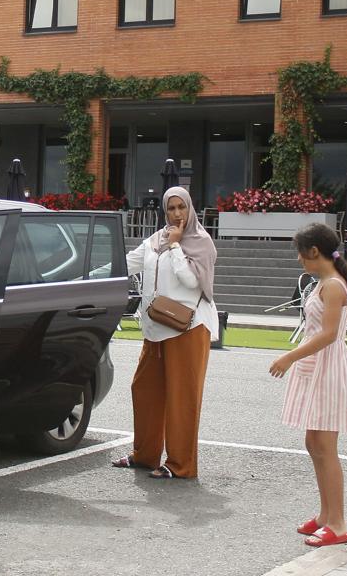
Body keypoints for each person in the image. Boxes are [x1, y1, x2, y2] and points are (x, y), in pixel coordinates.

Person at [269, 223, 347, 547]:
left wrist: (289, 357)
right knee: (314, 443)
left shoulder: (333, 286)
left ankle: (338, 523)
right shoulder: (323, 282)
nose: (298, 259)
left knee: (325, 448)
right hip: (319, 368)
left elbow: (327, 335)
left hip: (329, 370)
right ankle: (326, 516)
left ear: (313, 252)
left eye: (300, 252)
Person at [112, 186, 217, 479]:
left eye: (181, 207)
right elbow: (127, 264)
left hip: (189, 328)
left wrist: (174, 246)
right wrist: (88, 274)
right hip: (156, 326)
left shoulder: (201, 242)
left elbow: (190, 281)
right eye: (171, 209)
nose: (177, 214)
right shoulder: (154, 239)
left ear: (190, 208)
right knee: (143, 388)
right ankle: (144, 455)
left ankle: (179, 465)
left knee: (182, 396)